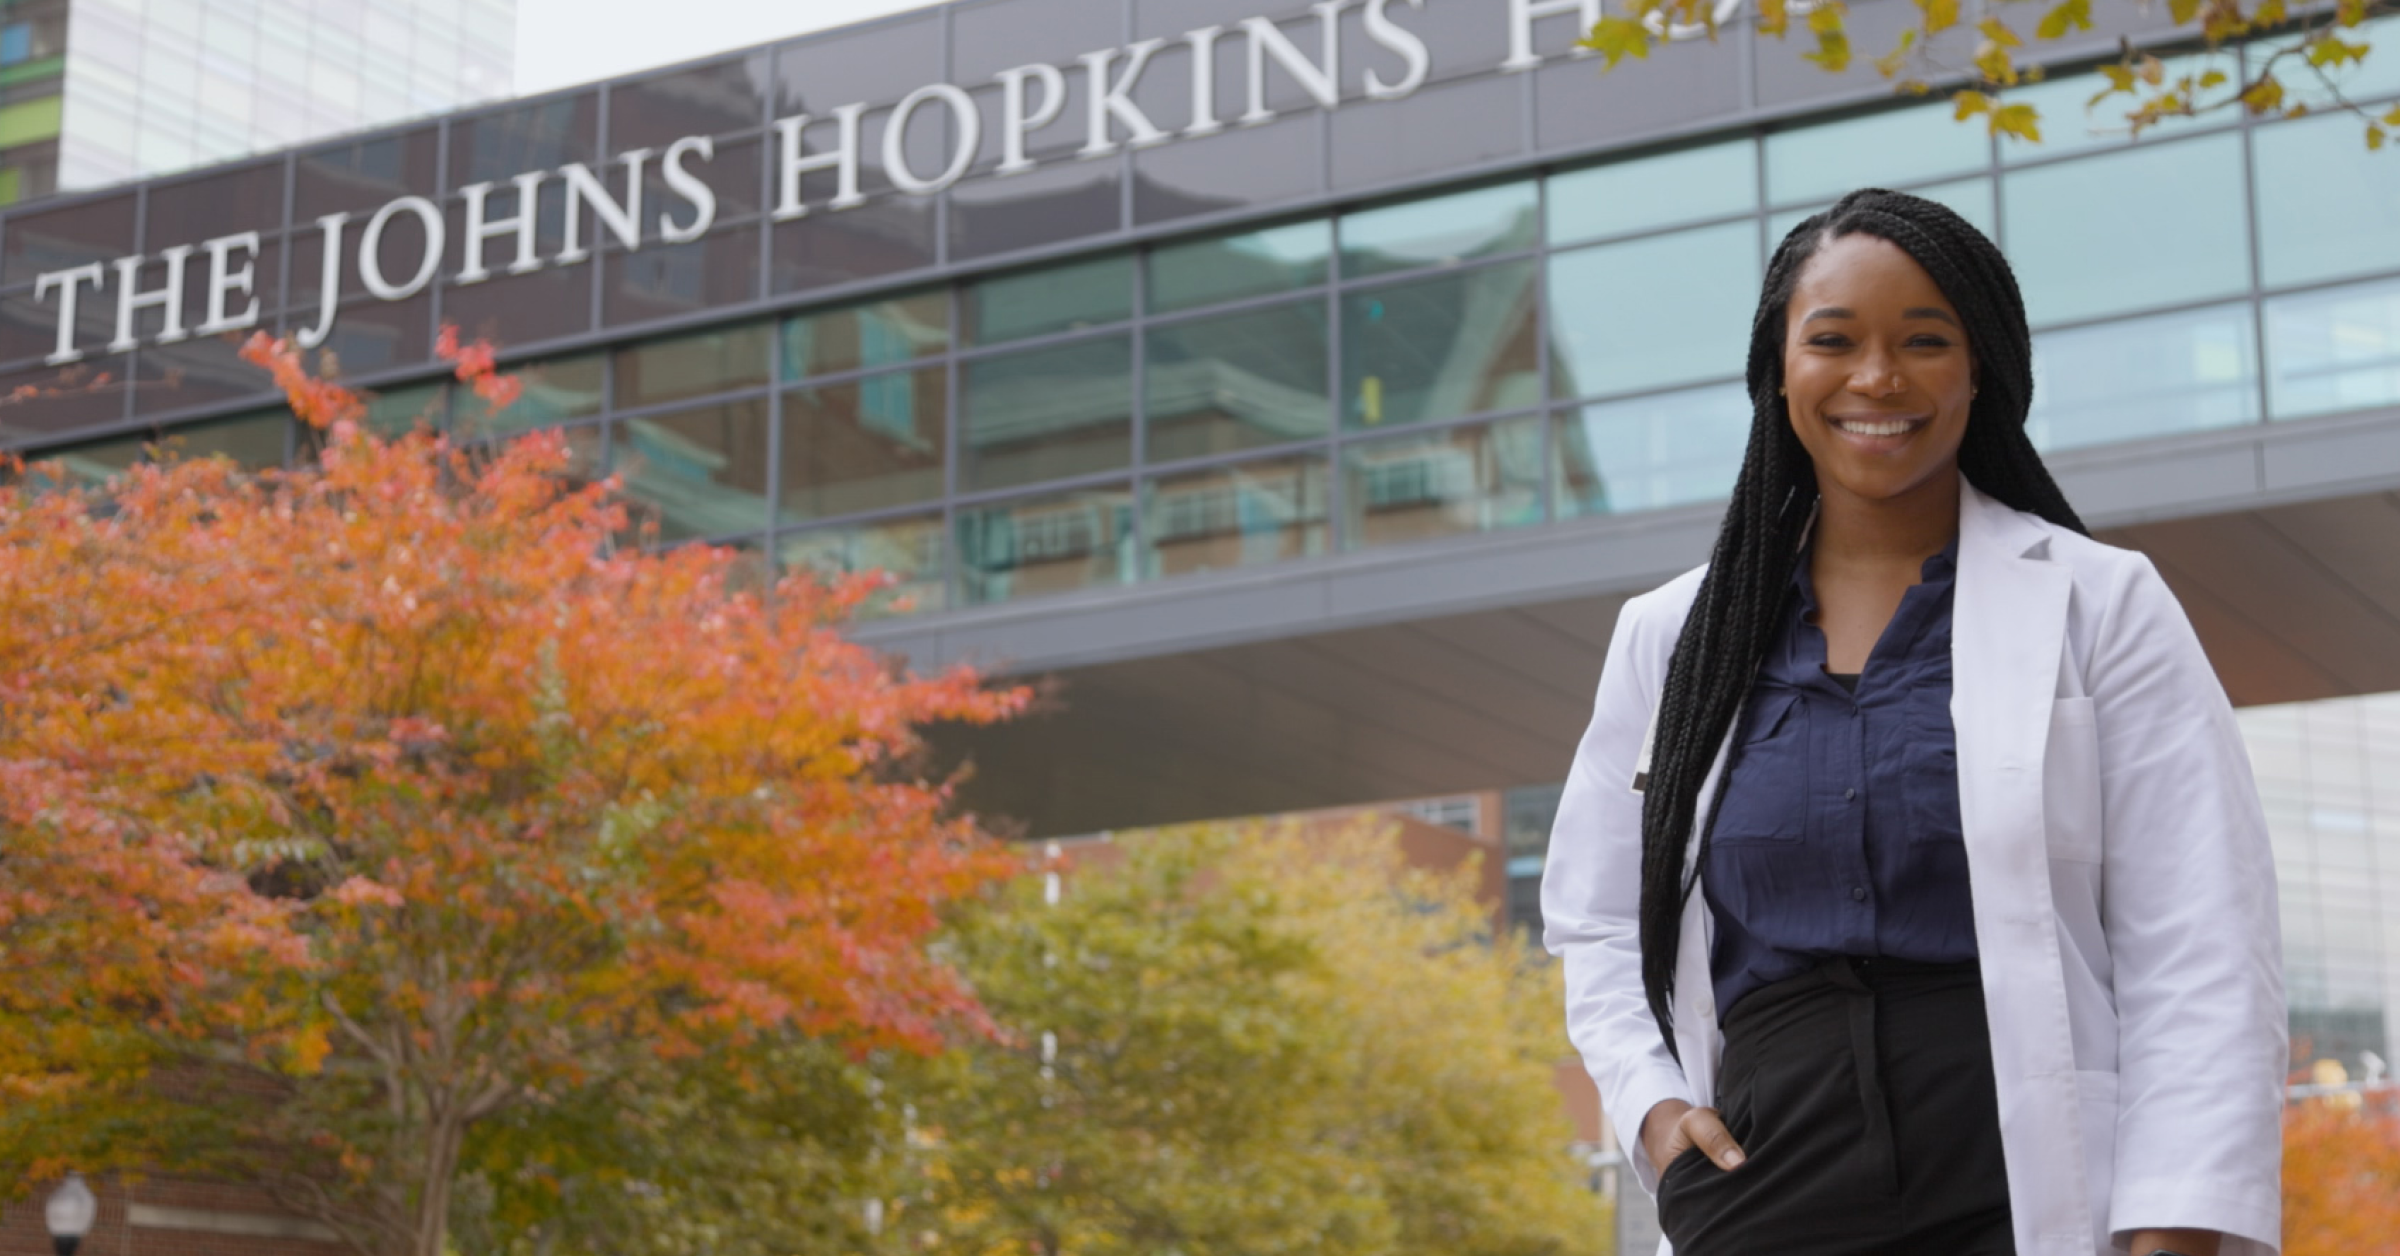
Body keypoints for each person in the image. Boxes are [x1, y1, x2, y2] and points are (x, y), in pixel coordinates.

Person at [1540, 188, 2286, 1256]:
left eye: (1924, 341)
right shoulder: (1671, 638)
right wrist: (1655, 1110)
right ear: (1779, 371)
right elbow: (1597, 915)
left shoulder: (2100, 603)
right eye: (1833, 341)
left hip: (2023, 1176)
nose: (1877, 378)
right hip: (1763, 1178)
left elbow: (2203, 936)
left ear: (1979, 368)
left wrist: (2174, 1228)